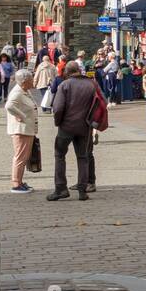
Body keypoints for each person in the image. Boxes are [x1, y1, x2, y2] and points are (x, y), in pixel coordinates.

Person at [49, 61, 96, 201]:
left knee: (59, 155)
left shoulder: (65, 85)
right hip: (85, 126)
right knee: (83, 157)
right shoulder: (91, 84)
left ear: (67, 72)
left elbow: (57, 108)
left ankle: (60, 188)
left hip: (67, 126)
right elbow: (101, 103)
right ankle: (82, 190)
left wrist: (58, 122)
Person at [5, 68, 38, 194]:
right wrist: (21, 115)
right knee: (20, 157)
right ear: (24, 81)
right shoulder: (17, 92)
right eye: (31, 79)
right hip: (20, 130)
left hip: (26, 129)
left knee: (23, 157)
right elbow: (9, 106)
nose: (33, 81)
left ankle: (20, 181)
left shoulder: (24, 91)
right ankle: (16, 183)